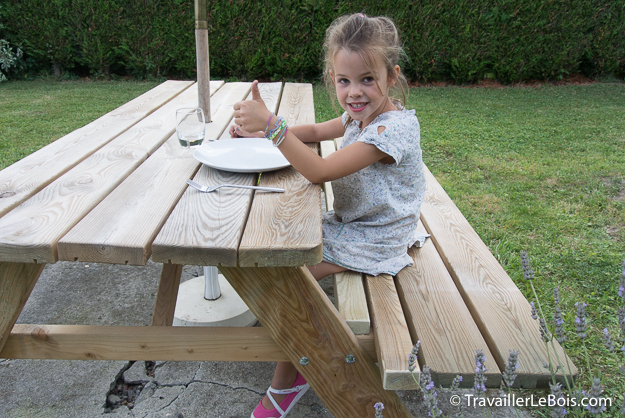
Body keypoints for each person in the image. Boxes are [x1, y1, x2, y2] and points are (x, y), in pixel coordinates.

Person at [231, 13, 426, 418]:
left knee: (291, 281)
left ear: (392, 77)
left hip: (378, 236)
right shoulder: (359, 116)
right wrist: (263, 130)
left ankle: (288, 384)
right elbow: (318, 133)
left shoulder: (391, 131)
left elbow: (318, 170)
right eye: (344, 81)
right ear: (333, 78)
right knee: (276, 244)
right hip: (353, 225)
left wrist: (272, 126)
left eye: (367, 79)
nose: (354, 92)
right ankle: (299, 355)